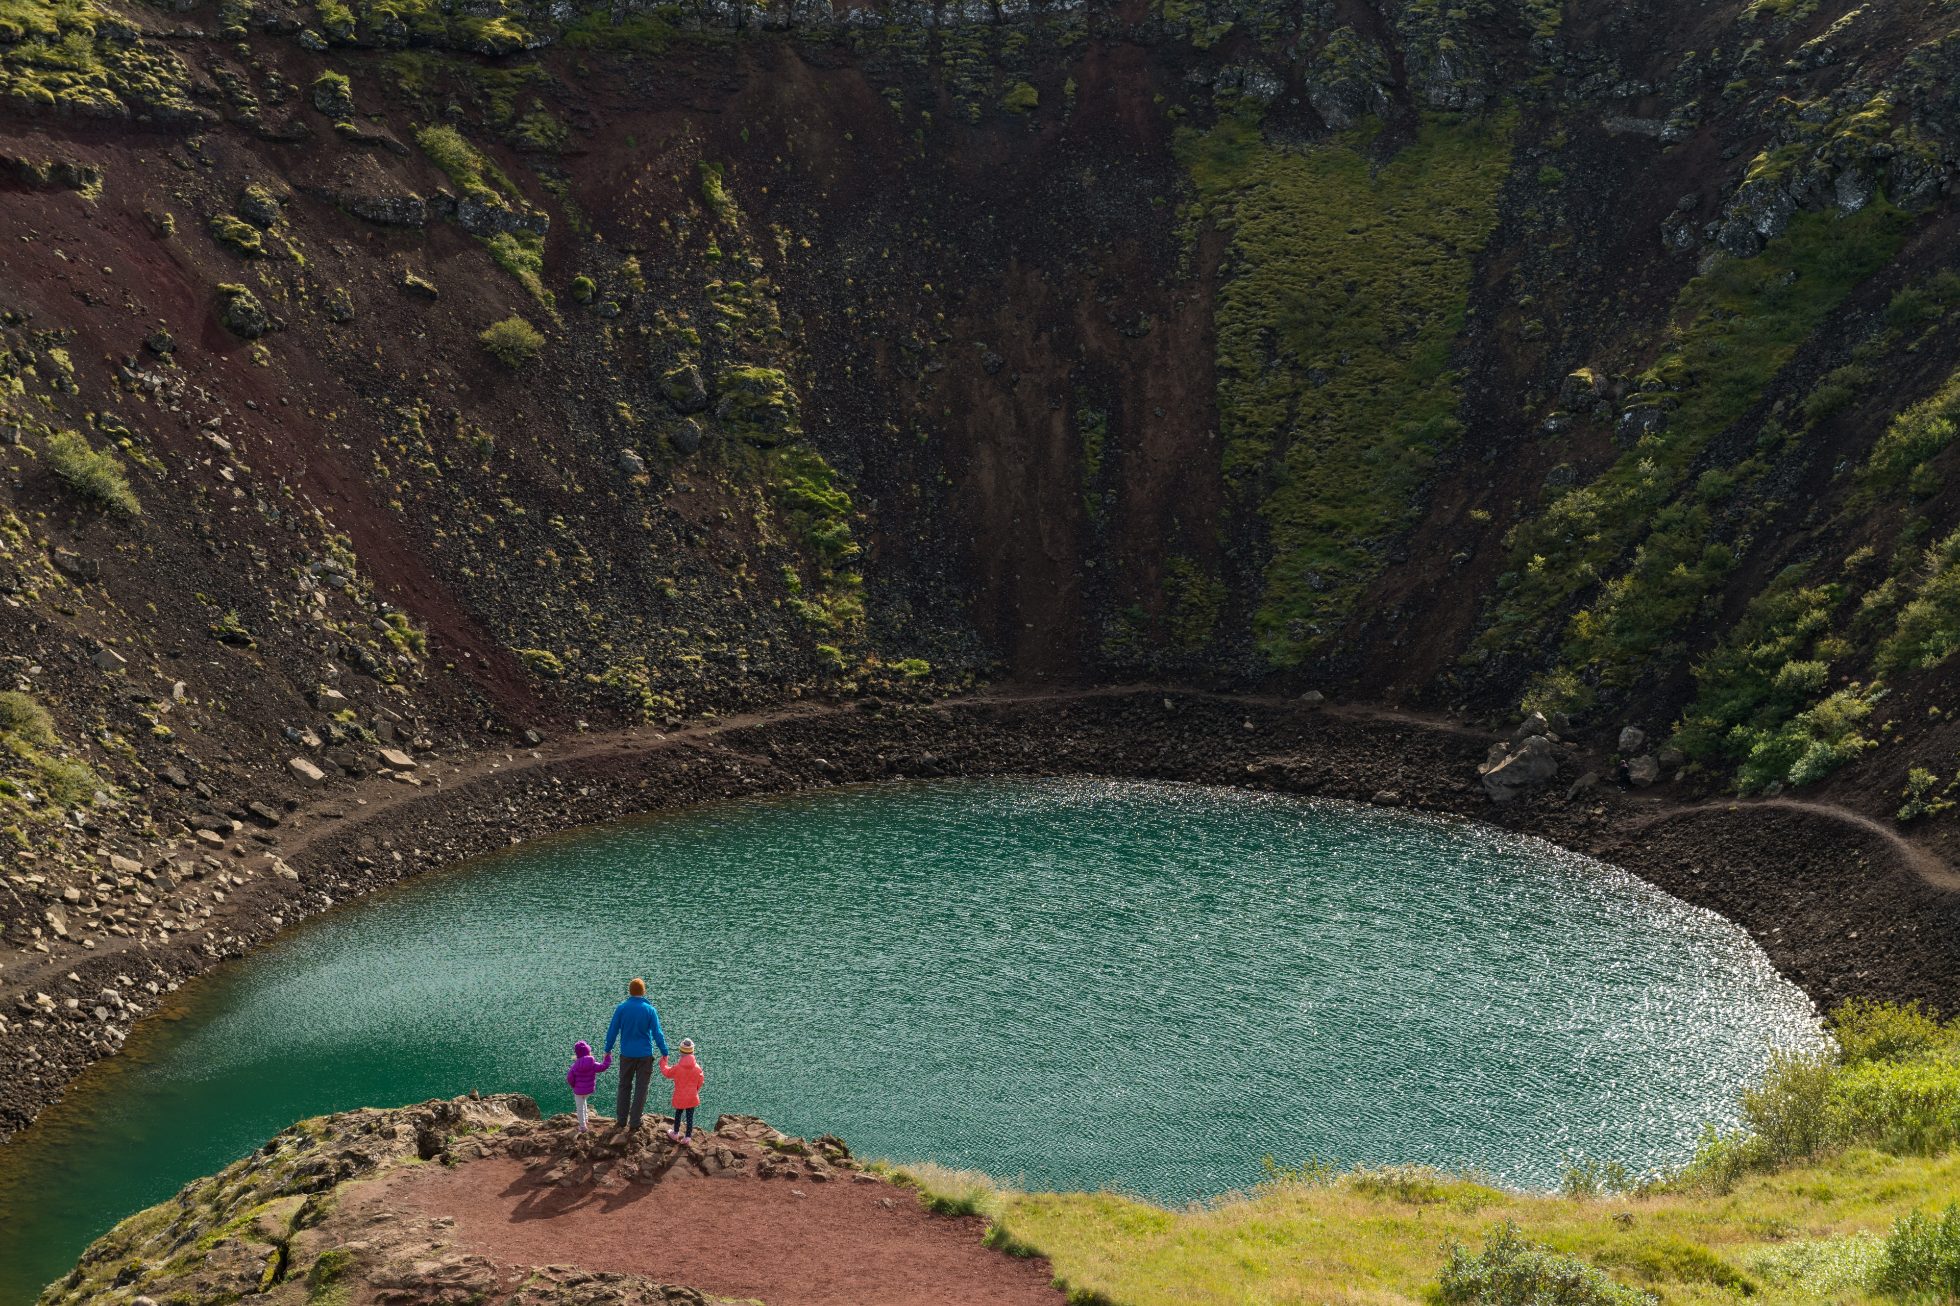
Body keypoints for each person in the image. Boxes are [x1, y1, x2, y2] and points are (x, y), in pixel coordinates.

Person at [604, 977, 669, 1131]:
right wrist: (664, 1051)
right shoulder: (650, 1010)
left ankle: (621, 1120)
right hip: (645, 1055)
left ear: (630, 991)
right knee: (641, 1087)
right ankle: (635, 1121)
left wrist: (607, 1049)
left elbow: (612, 1030)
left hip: (626, 1054)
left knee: (624, 1085)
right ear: (643, 991)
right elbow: (657, 1033)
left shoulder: (621, 1008)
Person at [659, 1038, 706, 1144]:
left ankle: (675, 1133)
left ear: (681, 1052)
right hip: (692, 1097)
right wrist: (695, 1090)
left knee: (678, 1114)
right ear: (692, 1052)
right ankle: (688, 1137)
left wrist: (663, 1062)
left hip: (680, 1096)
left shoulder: (677, 1068)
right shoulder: (698, 1068)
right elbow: (701, 1081)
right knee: (690, 1117)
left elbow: (667, 1072)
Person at [564, 1040, 612, 1133]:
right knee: (584, 1101)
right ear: (588, 1052)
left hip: (578, 1091)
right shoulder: (592, 1063)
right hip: (589, 1090)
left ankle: (582, 1127)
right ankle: (586, 1119)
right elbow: (603, 1066)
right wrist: (607, 1057)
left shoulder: (574, 1066)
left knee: (579, 1107)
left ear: (577, 1054)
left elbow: (569, 1078)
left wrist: (574, 1085)